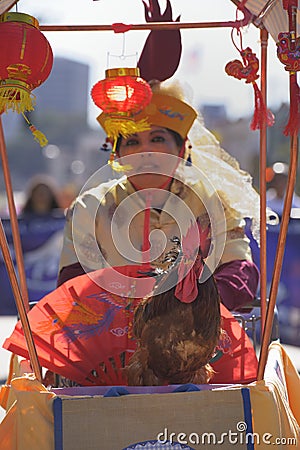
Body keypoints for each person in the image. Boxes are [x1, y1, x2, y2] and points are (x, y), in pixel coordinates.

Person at [57, 78, 260, 312]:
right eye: (132, 141)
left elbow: (240, 271)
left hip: (196, 338)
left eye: (157, 139)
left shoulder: (214, 202)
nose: (145, 151)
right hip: (110, 338)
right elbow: (72, 282)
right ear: (118, 155)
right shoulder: (90, 206)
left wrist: (193, 306)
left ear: (181, 148)